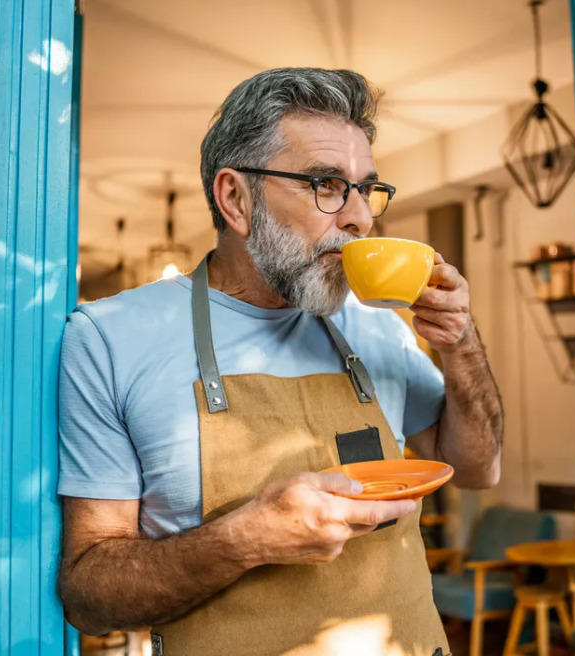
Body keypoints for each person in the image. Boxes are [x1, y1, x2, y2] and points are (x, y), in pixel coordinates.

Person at [56, 68, 503, 656]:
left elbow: (477, 470)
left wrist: (462, 344)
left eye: (366, 188)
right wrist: (244, 538)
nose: (361, 218)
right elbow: (90, 595)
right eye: (325, 184)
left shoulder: (379, 328)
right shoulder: (109, 340)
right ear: (235, 198)